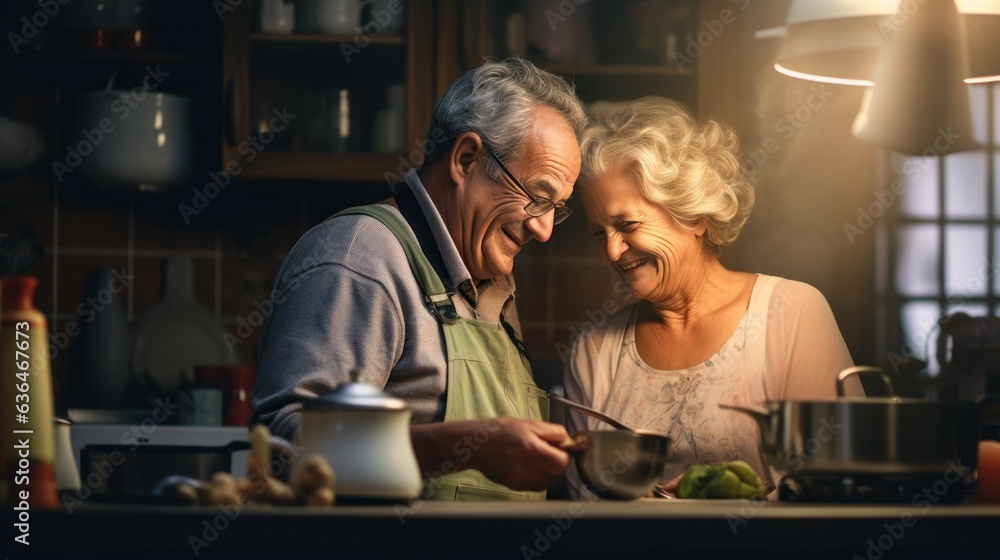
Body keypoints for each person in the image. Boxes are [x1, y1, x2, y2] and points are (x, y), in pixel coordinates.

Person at [252, 58, 587, 501]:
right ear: (466, 159)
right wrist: (469, 446)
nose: (543, 230)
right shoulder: (362, 257)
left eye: (556, 209)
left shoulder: (490, 281)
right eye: (538, 197)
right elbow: (282, 446)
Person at [563, 96, 864, 499]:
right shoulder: (593, 351)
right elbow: (583, 508)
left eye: (628, 224)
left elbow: (839, 482)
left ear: (695, 216)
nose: (612, 252)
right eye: (600, 233)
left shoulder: (791, 313)